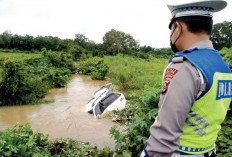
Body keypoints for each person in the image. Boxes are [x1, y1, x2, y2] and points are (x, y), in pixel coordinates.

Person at [141, 0, 232, 157]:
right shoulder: (222, 66)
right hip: (208, 151)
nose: (170, 35)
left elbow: (165, 136)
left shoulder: (184, 66)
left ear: (178, 27)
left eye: (171, 29)